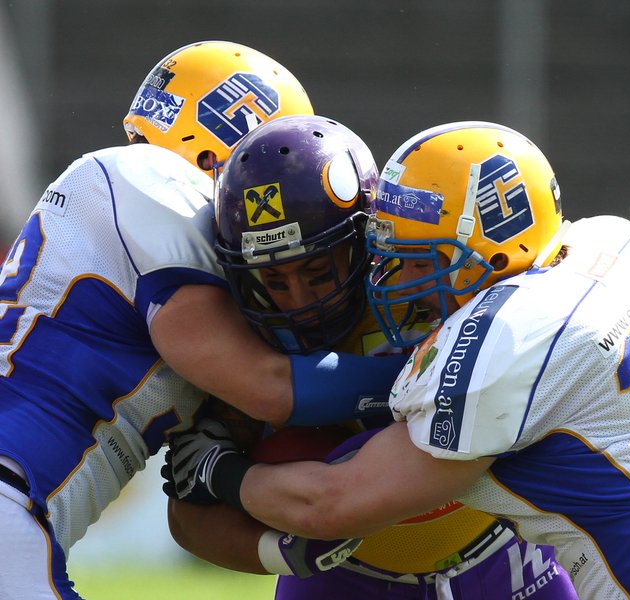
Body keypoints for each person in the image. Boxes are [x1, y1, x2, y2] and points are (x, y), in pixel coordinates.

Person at [168, 121, 630, 599]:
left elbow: (334, 503)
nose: (406, 283)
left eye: (425, 260)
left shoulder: (505, 339)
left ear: (494, 244)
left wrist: (221, 472)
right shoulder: (608, 242)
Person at [0, 41, 403, 600]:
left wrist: (282, 550)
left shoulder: (196, 300)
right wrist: (430, 377)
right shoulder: (151, 177)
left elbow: (190, 499)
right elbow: (268, 387)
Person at [165, 114, 578, 600]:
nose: (298, 299)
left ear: (365, 241)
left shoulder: (435, 287)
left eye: (317, 271)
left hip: (498, 555)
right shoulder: (246, 339)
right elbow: (188, 514)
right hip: (348, 577)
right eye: (274, 280)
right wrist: (283, 554)